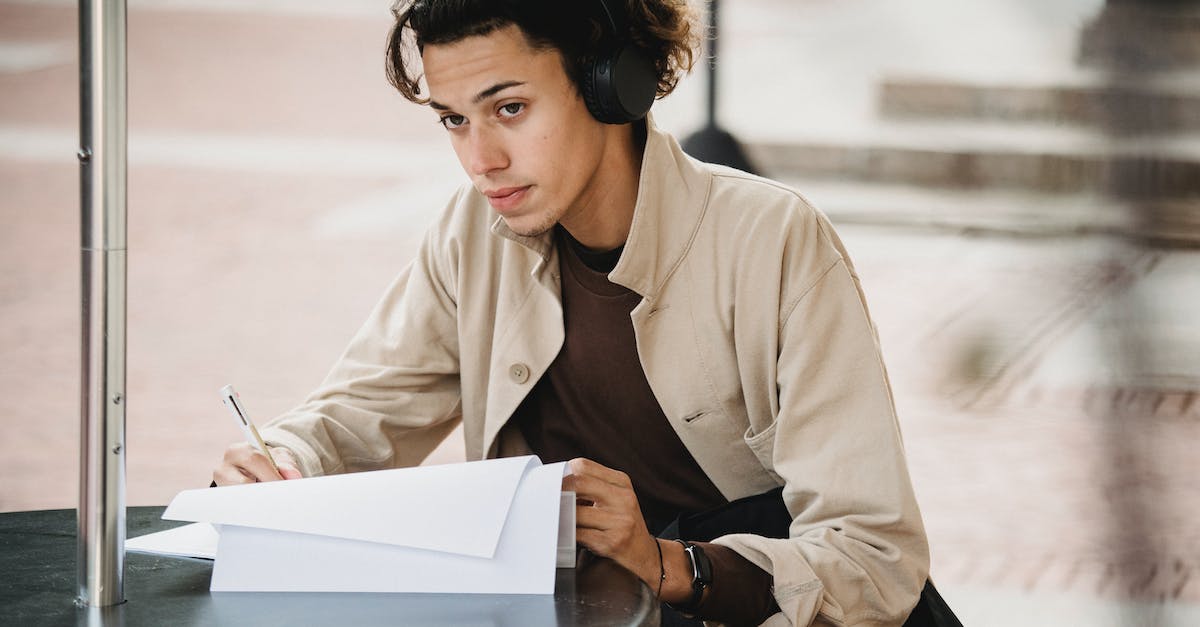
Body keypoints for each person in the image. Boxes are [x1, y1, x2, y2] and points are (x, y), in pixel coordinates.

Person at [212, 1, 931, 625]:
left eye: (510, 109)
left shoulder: (773, 240)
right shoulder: (471, 233)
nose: (480, 158)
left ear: (609, 83)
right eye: (454, 121)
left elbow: (875, 556)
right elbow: (358, 411)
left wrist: (668, 563)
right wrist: (281, 462)